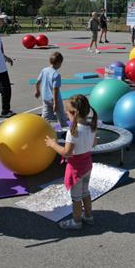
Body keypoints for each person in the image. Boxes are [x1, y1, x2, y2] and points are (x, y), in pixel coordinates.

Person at [44, 95, 97, 230]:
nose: (66, 115)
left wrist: (53, 144)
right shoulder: (91, 126)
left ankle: (77, 221)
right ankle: (89, 216)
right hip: (87, 166)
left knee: (76, 198)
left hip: (76, 170)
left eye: (67, 112)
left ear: (73, 113)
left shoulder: (73, 131)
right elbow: (94, 143)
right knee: (85, 192)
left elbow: (67, 153)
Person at [35, 51, 68, 128]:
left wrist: (37, 91)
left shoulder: (44, 70)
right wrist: (55, 103)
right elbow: (55, 89)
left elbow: (37, 82)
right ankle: (65, 130)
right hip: (54, 99)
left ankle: (42, 129)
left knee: (46, 117)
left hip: (45, 98)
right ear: (59, 63)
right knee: (61, 116)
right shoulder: (56, 75)